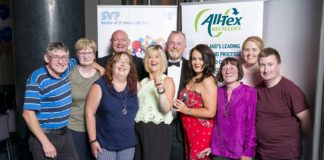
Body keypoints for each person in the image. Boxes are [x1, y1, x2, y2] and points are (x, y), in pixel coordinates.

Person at [22, 42, 78, 159]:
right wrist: (45, 143)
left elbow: (84, 58)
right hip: (44, 135)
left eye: (64, 57)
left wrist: (100, 69)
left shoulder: (66, 67)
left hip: (65, 133)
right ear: (46, 58)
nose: (61, 61)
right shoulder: (37, 79)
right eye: (56, 57)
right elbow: (28, 114)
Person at [256, 47, 312, 159]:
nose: (266, 69)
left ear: (279, 65)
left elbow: (307, 120)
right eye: (262, 65)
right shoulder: (256, 89)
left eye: (270, 64)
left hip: (285, 154)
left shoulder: (290, 89)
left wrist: (293, 139)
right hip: (261, 154)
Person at [85, 52, 139, 160]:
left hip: (128, 144)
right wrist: (93, 141)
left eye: (126, 62)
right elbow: (89, 114)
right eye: (118, 61)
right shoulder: (99, 86)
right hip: (104, 144)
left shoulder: (136, 85)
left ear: (130, 67)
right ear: (111, 65)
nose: (122, 64)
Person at [173, 44, 217, 160]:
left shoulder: (208, 81)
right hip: (189, 131)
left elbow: (211, 112)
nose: (196, 62)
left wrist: (186, 110)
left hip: (201, 132)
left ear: (208, 60)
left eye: (201, 59)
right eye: (193, 58)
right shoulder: (192, 77)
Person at [134, 45, 175, 160]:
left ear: (162, 61)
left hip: (157, 130)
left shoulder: (167, 80)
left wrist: (161, 91)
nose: (153, 60)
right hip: (139, 129)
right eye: (149, 57)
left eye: (157, 57)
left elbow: (166, 108)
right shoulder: (143, 82)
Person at [211, 57, 257, 160]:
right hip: (218, 151)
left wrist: (248, 152)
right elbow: (213, 121)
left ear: (239, 71)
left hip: (240, 152)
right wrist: (209, 145)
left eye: (232, 68)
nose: (228, 71)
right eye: (224, 68)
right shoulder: (216, 91)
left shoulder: (249, 92)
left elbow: (251, 124)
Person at [68, 38, 100, 160]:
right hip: (75, 127)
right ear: (77, 54)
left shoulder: (101, 74)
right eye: (82, 53)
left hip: (98, 128)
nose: (86, 56)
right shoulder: (70, 74)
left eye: (89, 53)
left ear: (94, 55)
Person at [165, 31, 188, 160]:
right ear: (167, 45)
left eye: (179, 43)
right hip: (158, 125)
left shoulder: (192, 67)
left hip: (180, 126)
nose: (175, 46)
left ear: (185, 47)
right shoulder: (155, 64)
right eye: (172, 43)